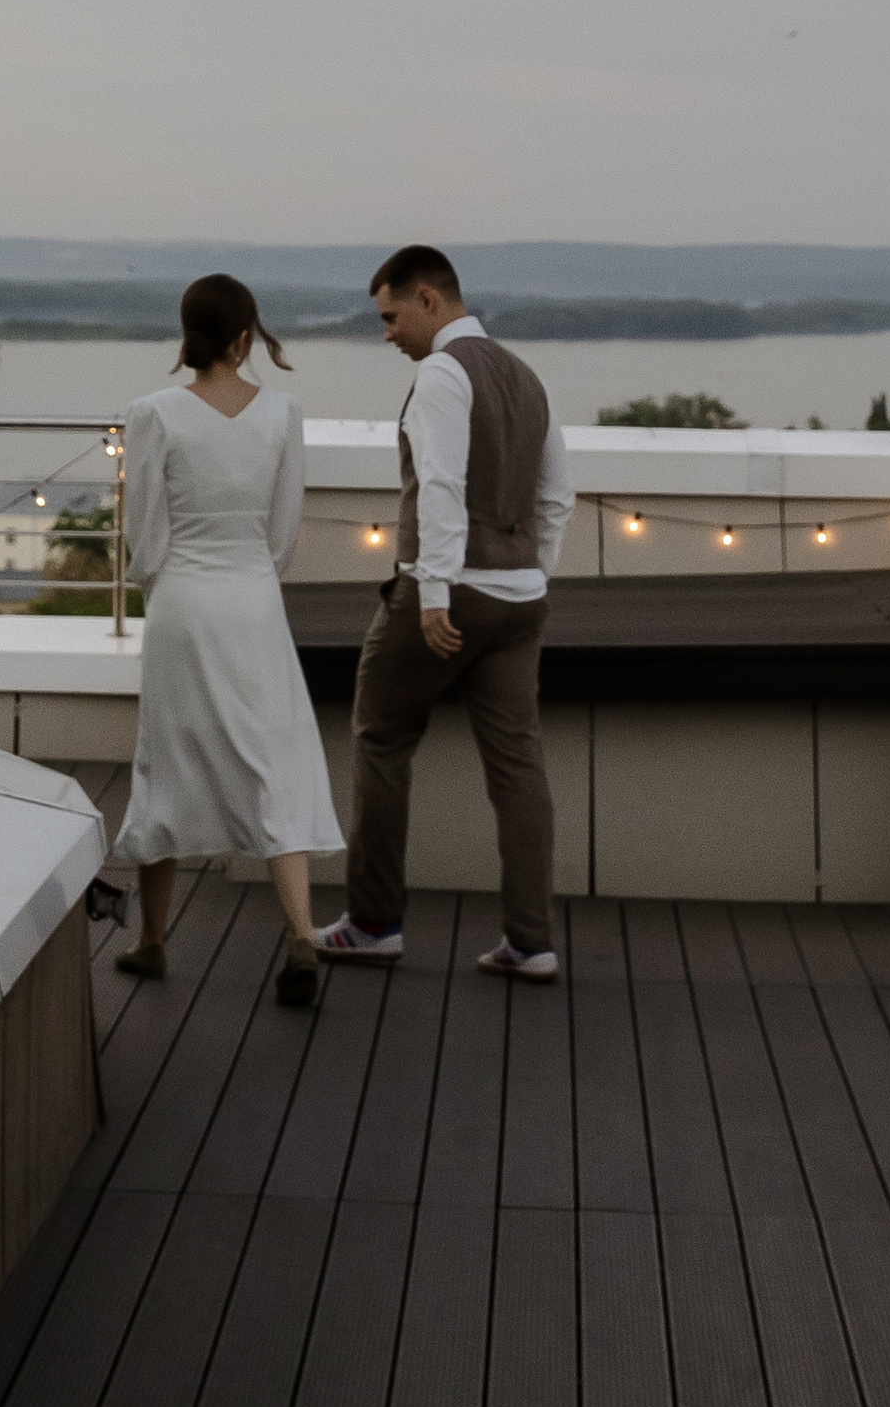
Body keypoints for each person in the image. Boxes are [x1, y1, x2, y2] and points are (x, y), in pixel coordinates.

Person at [317, 244, 575, 982]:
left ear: (429, 299)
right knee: (518, 764)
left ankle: (373, 924)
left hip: (450, 592)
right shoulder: (527, 377)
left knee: (380, 737)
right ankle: (532, 941)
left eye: (392, 316)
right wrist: (533, 570)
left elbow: (439, 485)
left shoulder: (441, 375)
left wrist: (433, 593)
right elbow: (560, 495)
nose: (388, 333)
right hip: (520, 597)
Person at [111, 273, 345, 1008]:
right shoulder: (283, 412)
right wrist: (249, 574)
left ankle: (151, 941)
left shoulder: (154, 413)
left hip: (183, 602)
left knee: (167, 758)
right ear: (247, 336)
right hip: (252, 602)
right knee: (272, 758)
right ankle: (300, 933)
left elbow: (142, 539)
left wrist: (167, 583)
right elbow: (282, 535)